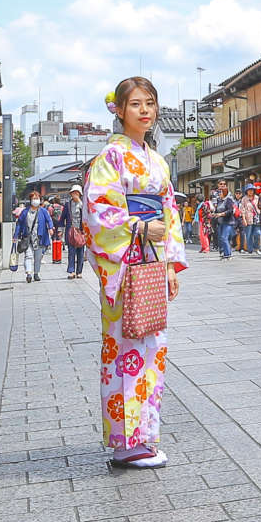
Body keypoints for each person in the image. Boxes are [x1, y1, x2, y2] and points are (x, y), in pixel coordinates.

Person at [84, 76, 186, 468]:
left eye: (150, 103)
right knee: (127, 344)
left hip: (151, 262)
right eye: (136, 104)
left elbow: (170, 213)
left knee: (153, 346)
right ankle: (127, 443)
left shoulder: (156, 160)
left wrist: (170, 265)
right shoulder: (109, 158)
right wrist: (140, 227)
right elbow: (99, 211)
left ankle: (145, 436)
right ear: (120, 110)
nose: (145, 111)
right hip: (125, 263)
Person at [12, 192, 52, 284]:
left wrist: (50, 228)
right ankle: (29, 273)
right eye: (34, 198)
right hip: (27, 237)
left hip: (39, 237)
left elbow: (49, 220)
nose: (35, 200)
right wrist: (16, 235)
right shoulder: (25, 212)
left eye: (37, 198)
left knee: (38, 257)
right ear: (30, 200)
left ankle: (36, 273)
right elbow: (19, 224)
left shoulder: (43, 211)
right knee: (28, 255)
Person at [62, 184, 88, 280]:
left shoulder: (83, 205)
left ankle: (79, 271)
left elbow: (87, 216)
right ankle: (71, 271)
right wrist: (60, 230)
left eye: (76, 193)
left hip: (81, 231)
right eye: (73, 193)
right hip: (71, 231)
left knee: (80, 252)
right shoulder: (67, 205)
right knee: (71, 252)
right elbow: (62, 218)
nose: (75, 195)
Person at [214, 180, 237, 260]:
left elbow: (230, 210)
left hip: (228, 222)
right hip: (220, 222)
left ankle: (228, 254)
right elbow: (217, 210)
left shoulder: (228, 200)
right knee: (221, 238)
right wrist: (215, 214)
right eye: (219, 192)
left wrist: (221, 214)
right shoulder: (219, 201)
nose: (219, 194)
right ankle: (224, 253)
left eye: (221, 192)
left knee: (224, 237)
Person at [239, 186, 261, 255]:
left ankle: (257, 248)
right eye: (249, 190)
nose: (251, 191)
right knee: (248, 235)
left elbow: (260, 206)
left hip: (257, 218)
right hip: (248, 218)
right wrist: (244, 219)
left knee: (258, 233)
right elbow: (242, 210)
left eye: (252, 190)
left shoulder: (257, 198)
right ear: (246, 191)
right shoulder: (244, 199)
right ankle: (250, 249)